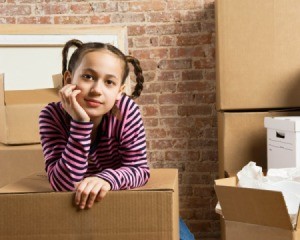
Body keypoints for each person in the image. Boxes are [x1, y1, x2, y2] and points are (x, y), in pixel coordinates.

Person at [39, 39, 150, 210]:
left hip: (118, 199)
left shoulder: (126, 112)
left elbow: (139, 169)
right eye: (88, 77)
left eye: (109, 82)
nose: (97, 90)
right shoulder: (52, 116)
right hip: (73, 205)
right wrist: (80, 123)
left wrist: (105, 179)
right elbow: (62, 184)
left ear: (119, 92)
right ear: (68, 79)